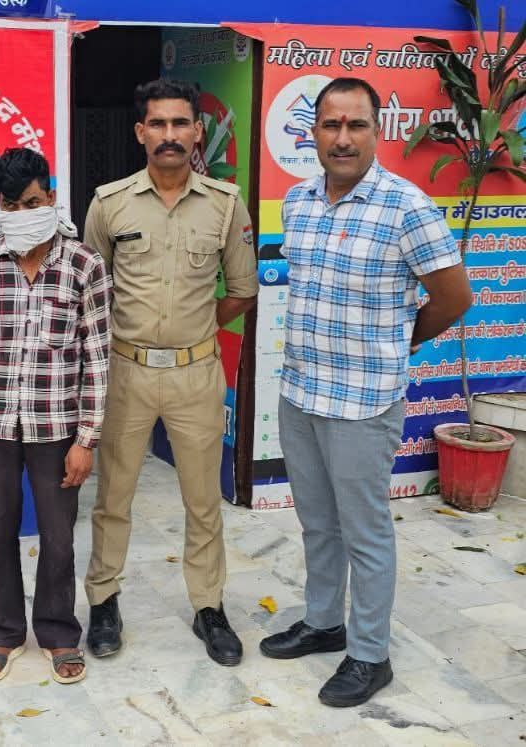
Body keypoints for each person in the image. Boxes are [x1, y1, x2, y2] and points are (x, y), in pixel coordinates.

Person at [259, 77, 472, 707]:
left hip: (364, 401)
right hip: (301, 392)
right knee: (317, 523)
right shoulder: (297, 202)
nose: (343, 138)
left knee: (365, 532)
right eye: (331, 125)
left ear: (378, 132)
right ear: (314, 133)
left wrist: (398, 343)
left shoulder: (407, 207)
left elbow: (454, 297)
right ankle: (325, 622)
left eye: (356, 125)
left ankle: (370, 654)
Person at [83, 79, 259, 666]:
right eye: (157, 124)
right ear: (141, 133)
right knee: (113, 497)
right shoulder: (109, 204)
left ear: (197, 132)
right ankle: (103, 601)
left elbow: (242, 290)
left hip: (195, 374)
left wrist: (196, 328)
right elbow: (93, 293)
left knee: (203, 500)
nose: (169, 135)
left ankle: (209, 606)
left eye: (180, 123)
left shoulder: (225, 205)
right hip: (127, 372)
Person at [0, 147, 111, 685]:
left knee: (58, 535)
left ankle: (59, 631)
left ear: (52, 198)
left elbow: (97, 357)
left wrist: (87, 439)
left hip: (58, 426)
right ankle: (1, 632)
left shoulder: (84, 265)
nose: (25, 213)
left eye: (35, 203)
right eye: (14, 205)